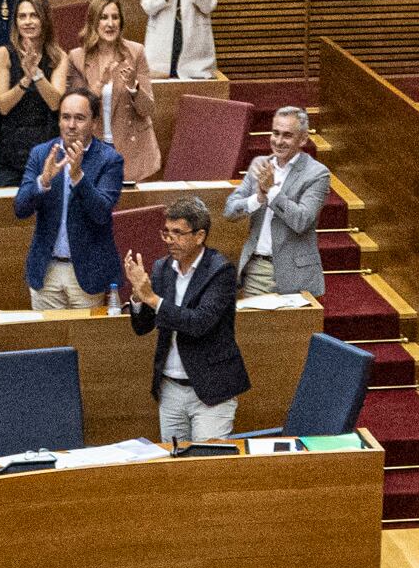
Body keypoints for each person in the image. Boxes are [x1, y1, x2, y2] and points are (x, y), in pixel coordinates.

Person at [128, 198, 245, 441]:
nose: (170, 240)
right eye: (167, 232)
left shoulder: (220, 271)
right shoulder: (162, 268)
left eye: (178, 233)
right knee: (175, 468)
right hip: (170, 389)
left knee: (206, 467)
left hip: (212, 390)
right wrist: (138, 296)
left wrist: (152, 298)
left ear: (200, 235)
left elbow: (199, 323)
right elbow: (143, 327)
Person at [16, 90, 125, 317]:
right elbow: (21, 209)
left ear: (94, 122)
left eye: (79, 118)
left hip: (86, 273)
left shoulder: (109, 159)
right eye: (66, 117)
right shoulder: (41, 154)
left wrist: (78, 177)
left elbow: (101, 213)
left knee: (87, 347)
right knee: (47, 346)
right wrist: (43, 181)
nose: (71, 125)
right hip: (46, 272)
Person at [225, 107, 330, 300]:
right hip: (258, 270)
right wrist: (258, 198)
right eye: (275, 133)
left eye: (287, 136)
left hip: (297, 275)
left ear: (303, 139)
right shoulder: (259, 164)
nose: (279, 141)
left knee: (295, 331)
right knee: (256, 329)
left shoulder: (317, 173)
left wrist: (271, 191)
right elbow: (230, 210)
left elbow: (302, 221)